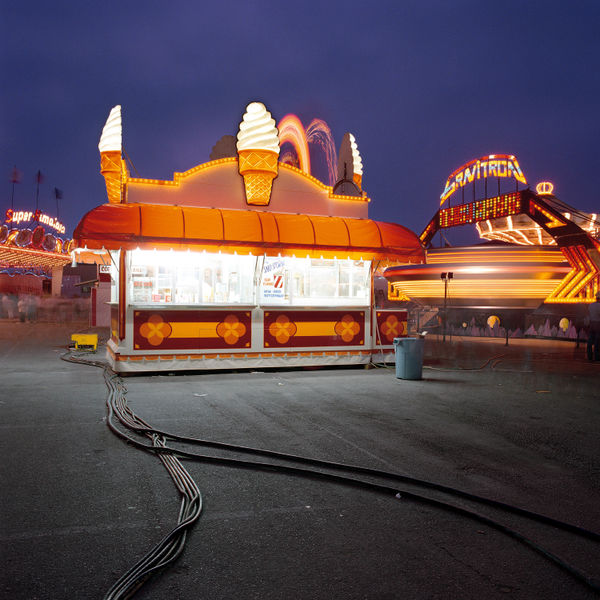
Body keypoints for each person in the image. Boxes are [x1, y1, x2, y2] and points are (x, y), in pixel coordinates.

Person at [587, 291, 600, 361]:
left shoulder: (591, 305)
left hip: (591, 324)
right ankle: (597, 357)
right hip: (598, 325)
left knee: (590, 342)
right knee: (597, 342)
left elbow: (588, 314)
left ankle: (589, 356)